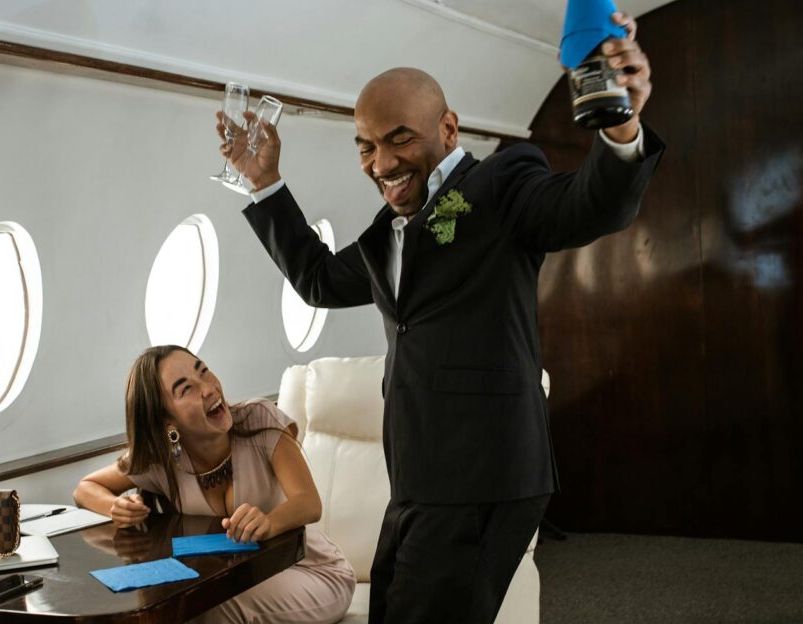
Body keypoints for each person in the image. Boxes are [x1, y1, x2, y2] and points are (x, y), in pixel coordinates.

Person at [218, 12, 663, 623]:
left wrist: (621, 124)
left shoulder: (503, 183)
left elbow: (592, 205)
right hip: (418, 479)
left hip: (485, 472)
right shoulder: (386, 238)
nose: (380, 163)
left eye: (399, 139)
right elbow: (316, 280)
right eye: (366, 147)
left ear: (448, 129)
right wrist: (265, 183)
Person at [74, 345, 356, 623]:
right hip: (235, 581)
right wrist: (116, 506)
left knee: (213, 603)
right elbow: (85, 488)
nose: (208, 388)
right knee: (183, 601)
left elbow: (309, 503)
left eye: (204, 372)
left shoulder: (259, 417)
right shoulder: (161, 461)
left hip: (312, 570)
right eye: (186, 389)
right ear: (165, 423)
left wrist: (269, 522)